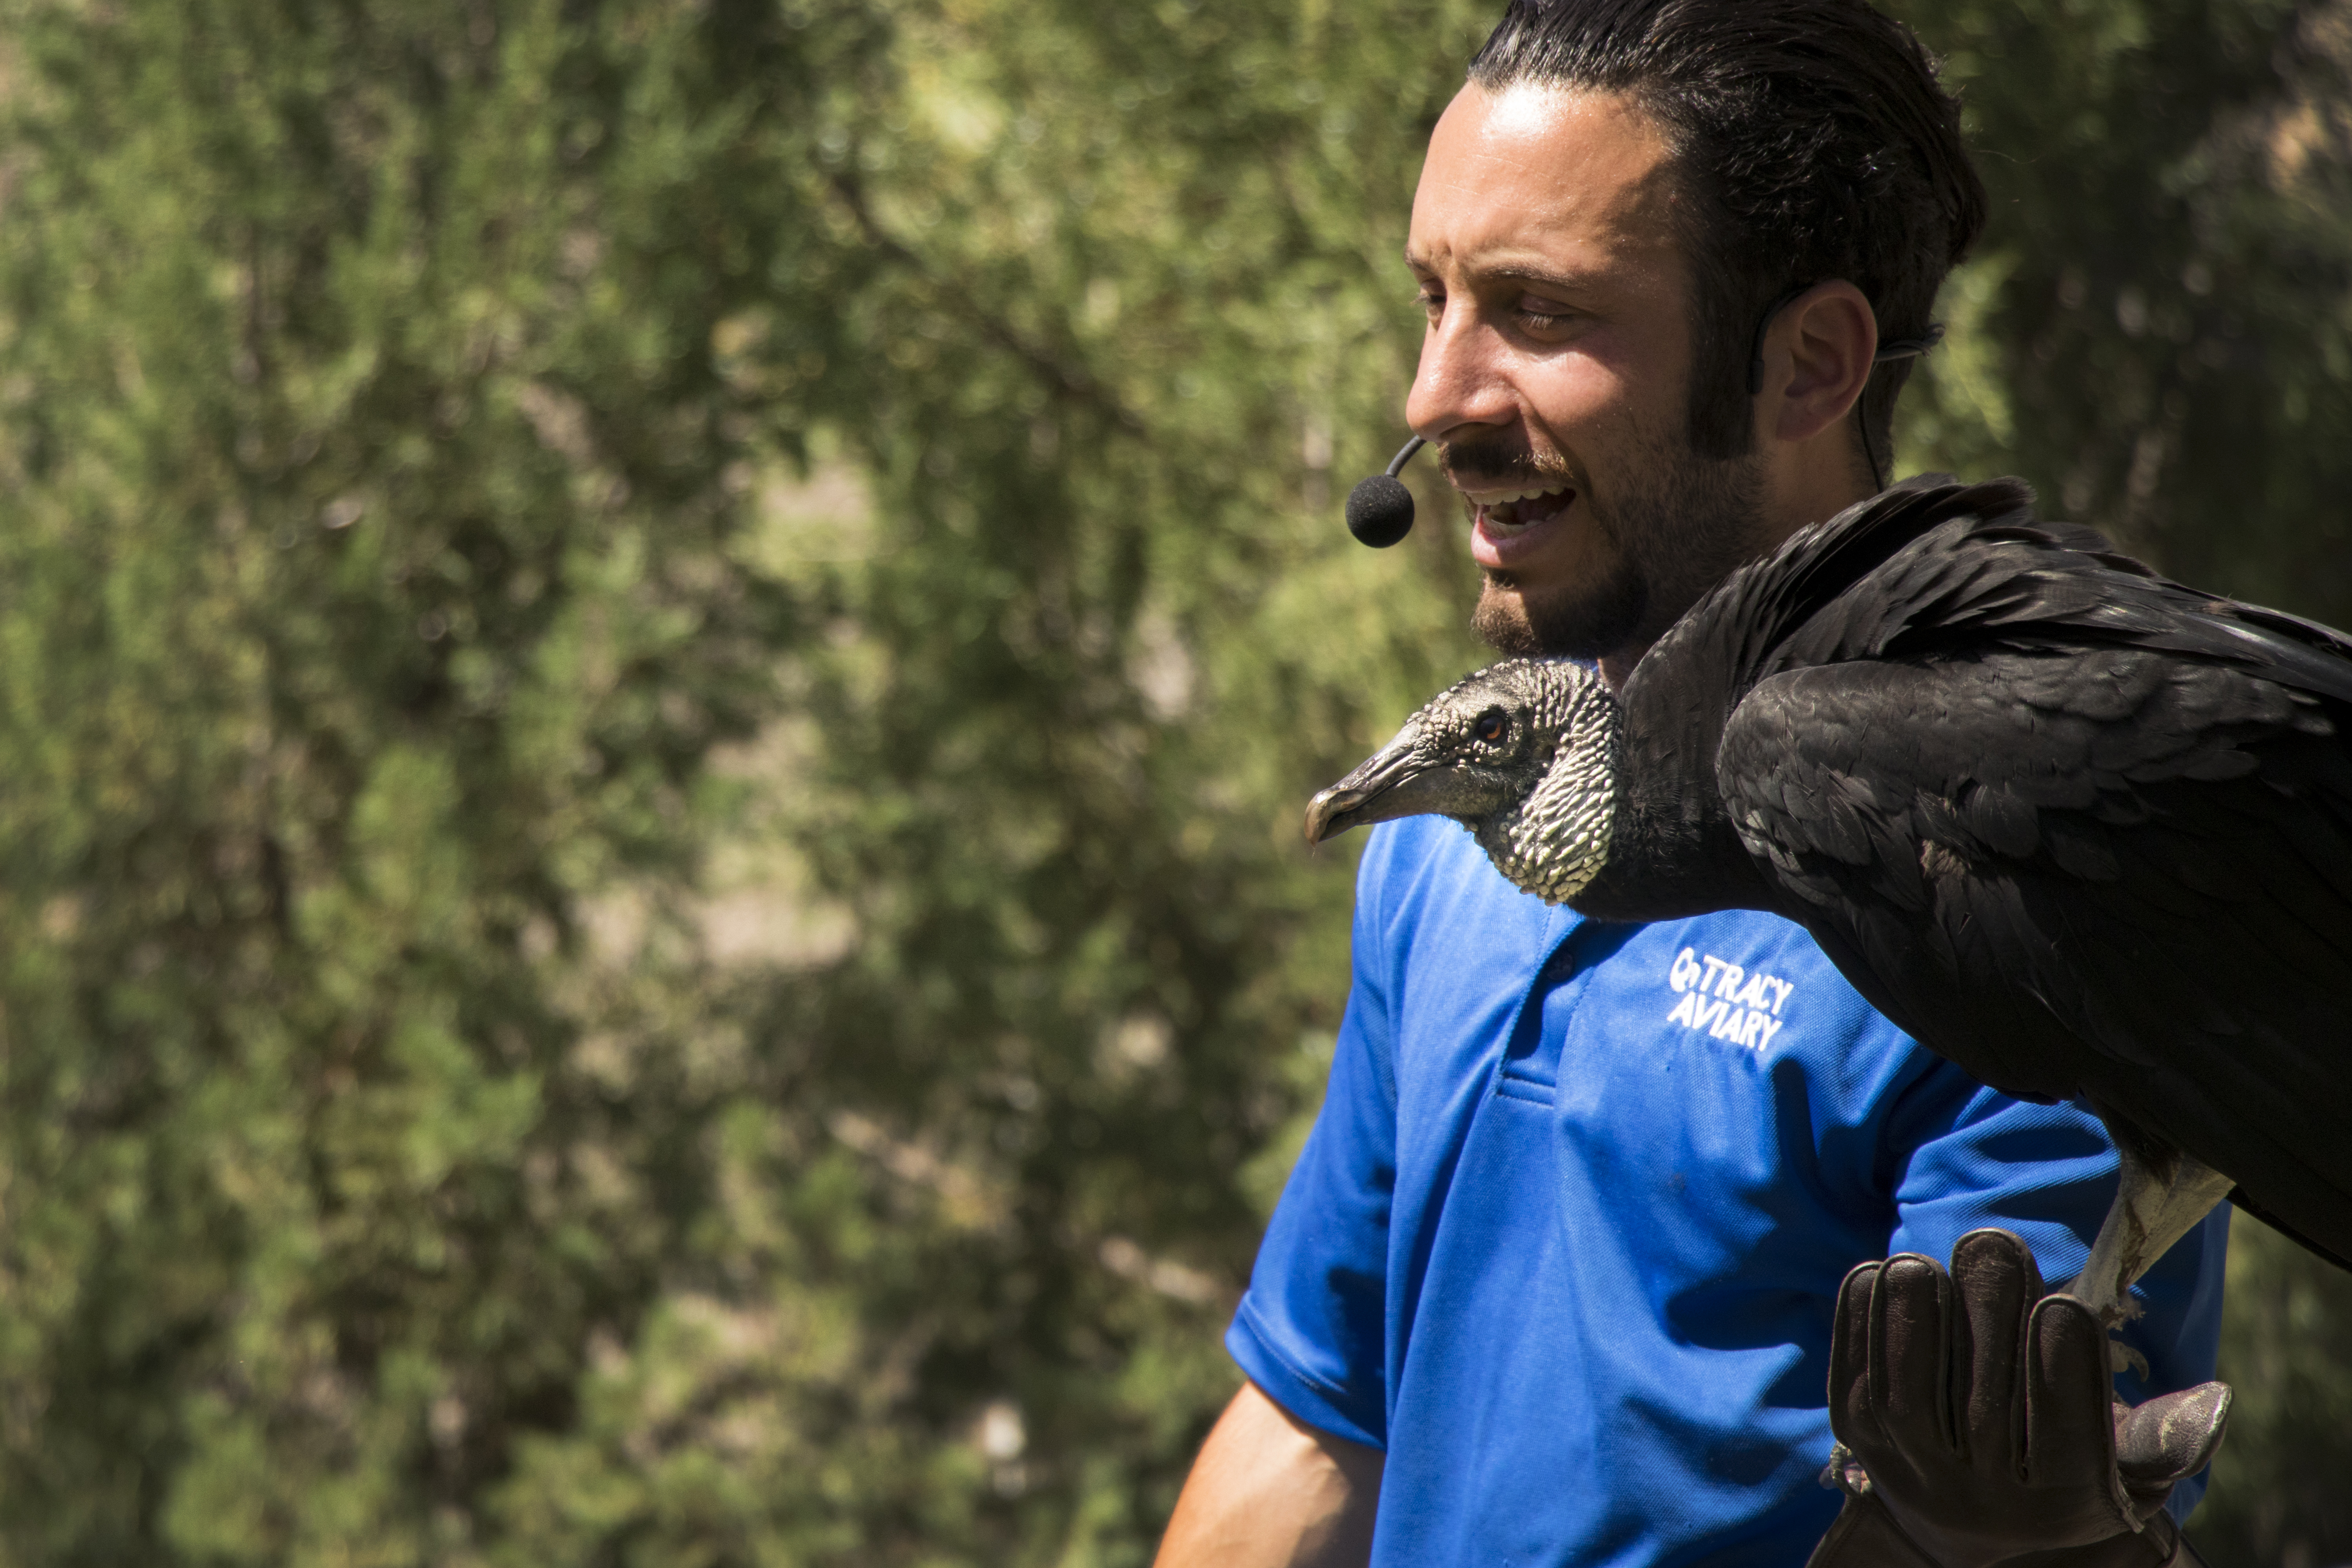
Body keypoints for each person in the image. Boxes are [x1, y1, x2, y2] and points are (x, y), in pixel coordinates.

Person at [1151, 2, 2232, 1564]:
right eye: (1434, 298)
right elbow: (1323, 1417)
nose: (1432, 397)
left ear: (1807, 365)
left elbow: (1969, 1526)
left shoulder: (2002, 901)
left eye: (1534, 312)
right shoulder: (1464, 820)